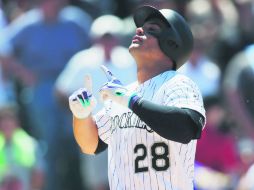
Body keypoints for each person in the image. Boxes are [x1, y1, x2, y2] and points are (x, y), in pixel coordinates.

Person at [69, 5, 206, 190]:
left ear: (171, 43)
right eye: (142, 27)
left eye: (152, 29)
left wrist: (131, 101)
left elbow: (186, 128)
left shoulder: (178, 83)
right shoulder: (124, 94)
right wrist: (82, 115)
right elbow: (90, 145)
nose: (140, 30)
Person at [55, 14, 136, 190]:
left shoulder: (130, 59)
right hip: (94, 130)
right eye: (104, 37)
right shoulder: (83, 60)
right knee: (97, 182)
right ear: (95, 38)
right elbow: (60, 91)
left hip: (125, 132)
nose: (107, 42)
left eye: (111, 37)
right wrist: (81, 112)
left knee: (126, 180)